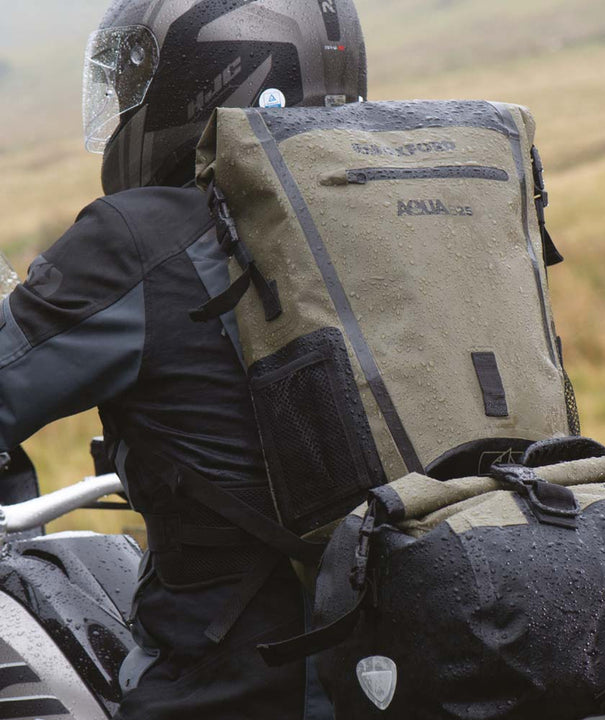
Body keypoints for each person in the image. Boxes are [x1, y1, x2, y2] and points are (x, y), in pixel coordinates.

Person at [0, 0, 367, 718]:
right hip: (443, 661)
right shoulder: (414, 211)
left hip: (239, 694)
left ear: (209, 76)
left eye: (138, 80)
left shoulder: (140, 238)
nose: (125, 105)